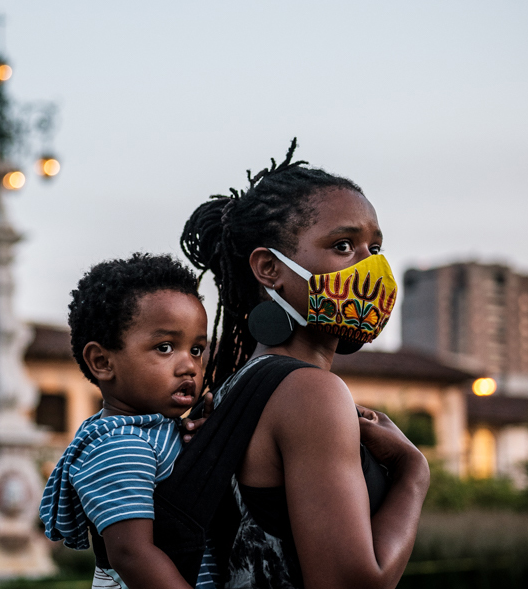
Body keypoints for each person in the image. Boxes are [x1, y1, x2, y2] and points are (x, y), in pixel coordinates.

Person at [176, 140, 431, 588]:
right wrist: (413, 472)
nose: (371, 268)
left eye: (374, 249)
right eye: (343, 245)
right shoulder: (311, 392)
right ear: (269, 268)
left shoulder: (240, 386)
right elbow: (353, 584)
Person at [40, 253, 217, 589]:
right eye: (165, 347)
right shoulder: (119, 444)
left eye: (196, 349)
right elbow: (132, 555)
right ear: (103, 361)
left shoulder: (157, 431)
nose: (190, 366)